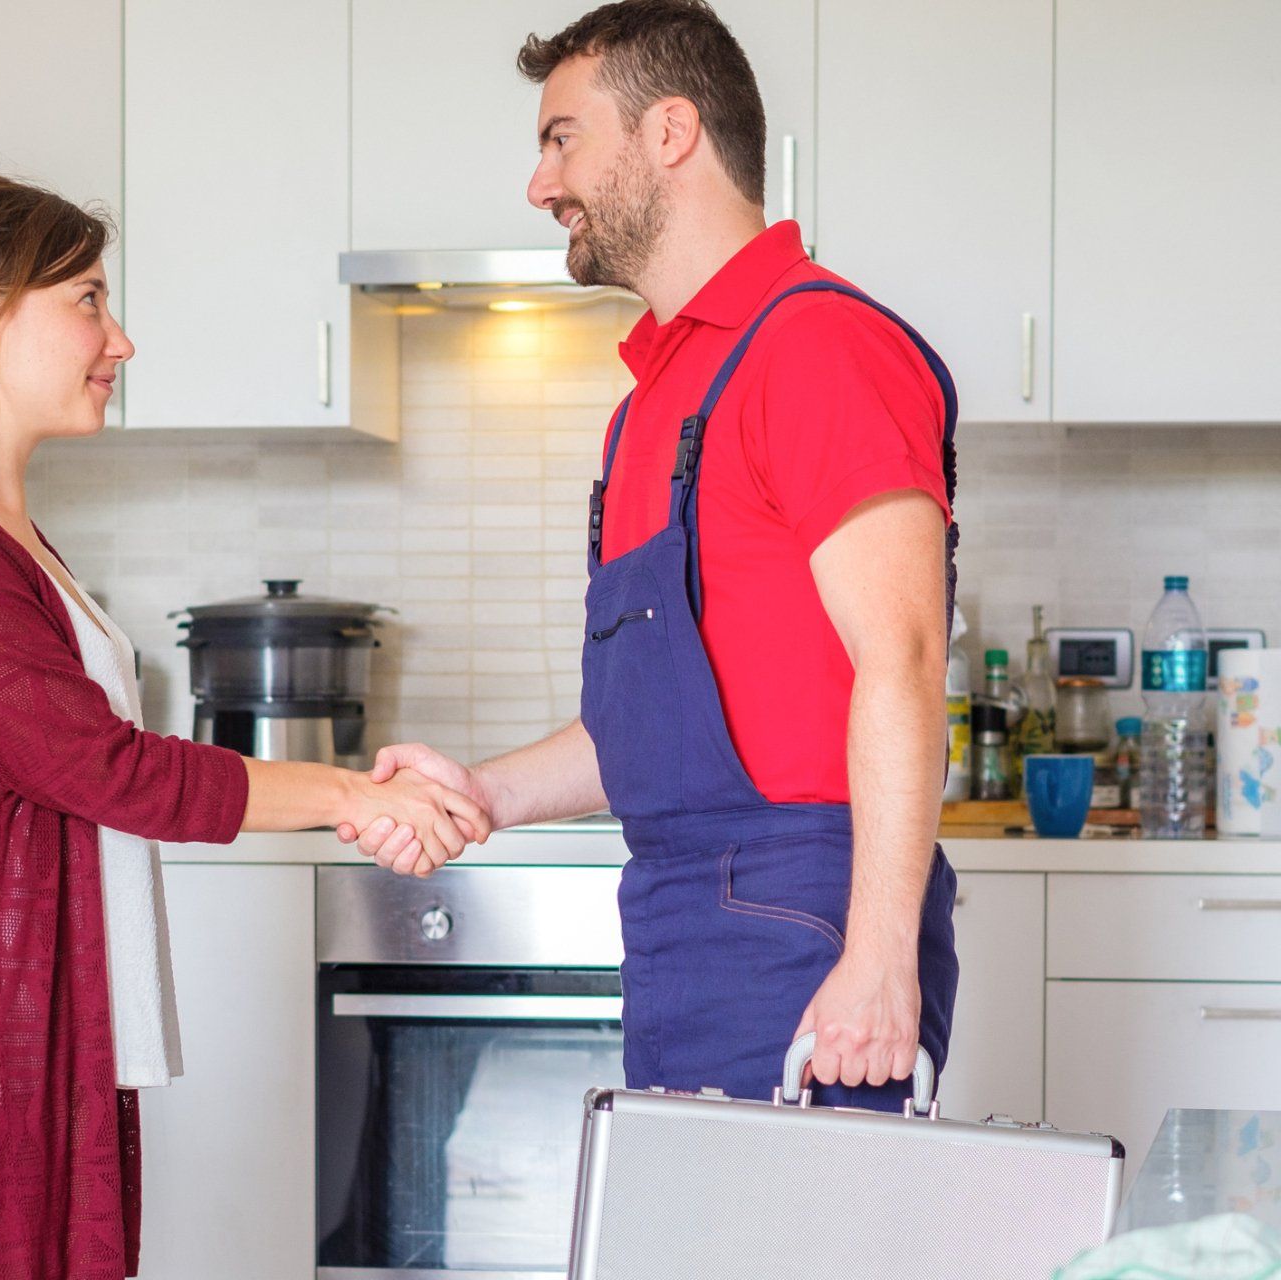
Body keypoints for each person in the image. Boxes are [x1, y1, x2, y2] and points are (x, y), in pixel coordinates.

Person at [0, 171, 487, 1280]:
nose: (120, 339)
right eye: (89, 301)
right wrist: (351, 794)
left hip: (41, 1042)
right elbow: (103, 768)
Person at [343, 0, 961, 1111]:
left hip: (802, 917)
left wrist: (877, 959)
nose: (540, 185)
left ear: (671, 132)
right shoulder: (652, 406)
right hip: (681, 916)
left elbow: (905, 658)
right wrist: (485, 790)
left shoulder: (817, 346)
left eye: (561, 137)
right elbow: (661, 718)